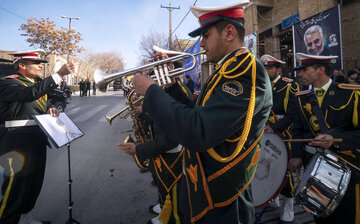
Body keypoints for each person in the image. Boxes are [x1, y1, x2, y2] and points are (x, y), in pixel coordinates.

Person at [131, 1, 272, 223]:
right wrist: (172, 87)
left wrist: (151, 92)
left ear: (229, 32)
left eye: (206, 35)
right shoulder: (225, 70)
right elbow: (198, 114)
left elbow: (198, 131)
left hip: (222, 199)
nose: (202, 43)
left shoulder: (244, 72)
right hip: (206, 189)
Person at [0, 49, 75, 224]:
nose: (41, 65)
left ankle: (25, 219)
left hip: (36, 139)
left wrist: (49, 107)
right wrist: (59, 74)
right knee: (15, 189)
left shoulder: (32, 83)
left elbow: (39, 99)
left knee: (32, 185)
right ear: (22, 66)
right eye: (37, 63)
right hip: (17, 142)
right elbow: (29, 95)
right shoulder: (9, 83)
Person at [288, 52, 360, 224]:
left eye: (304, 70)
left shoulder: (350, 94)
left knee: (347, 215)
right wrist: (296, 156)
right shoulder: (300, 98)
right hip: (313, 166)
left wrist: (334, 138)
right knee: (320, 215)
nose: (300, 74)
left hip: (346, 166)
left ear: (321, 70)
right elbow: (297, 130)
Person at [118, 79, 193, 224]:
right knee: (162, 187)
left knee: (174, 196)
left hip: (173, 156)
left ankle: (170, 216)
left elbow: (168, 140)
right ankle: (165, 210)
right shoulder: (165, 92)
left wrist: (138, 149)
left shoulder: (177, 92)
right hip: (162, 153)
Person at [259, 54, 299, 223]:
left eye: (270, 68)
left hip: (284, 134)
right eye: (265, 68)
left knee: (285, 171)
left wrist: (274, 127)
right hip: (265, 134)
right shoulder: (260, 86)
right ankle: (272, 197)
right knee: (266, 166)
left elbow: (293, 115)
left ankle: (288, 208)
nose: (267, 71)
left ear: (278, 70)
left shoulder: (289, 87)